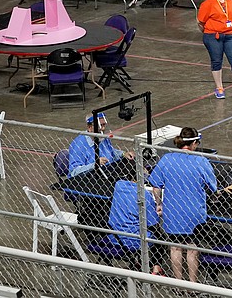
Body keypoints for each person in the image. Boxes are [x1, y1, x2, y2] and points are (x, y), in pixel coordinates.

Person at [149, 127, 217, 283]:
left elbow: (156, 186)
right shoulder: (201, 161)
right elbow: (213, 187)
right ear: (194, 143)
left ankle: (178, 283)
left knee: (175, 248)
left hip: (173, 212)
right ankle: (193, 284)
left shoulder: (166, 159)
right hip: (194, 213)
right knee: (192, 249)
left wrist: (159, 204)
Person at [107, 179, 165, 275]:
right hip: (133, 239)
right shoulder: (144, 194)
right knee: (159, 235)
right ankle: (156, 268)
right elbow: (152, 222)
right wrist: (158, 213)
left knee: (141, 227)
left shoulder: (118, 186)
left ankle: (138, 262)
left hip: (113, 235)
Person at [68, 113, 134, 177]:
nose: (103, 129)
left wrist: (123, 154)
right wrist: (95, 164)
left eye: (104, 125)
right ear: (89, 127)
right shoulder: (79, 145)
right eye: (100, 126)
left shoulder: (102, 138)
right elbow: (74, 172)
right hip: (89, 178)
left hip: (107, 172)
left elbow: (111, 152)